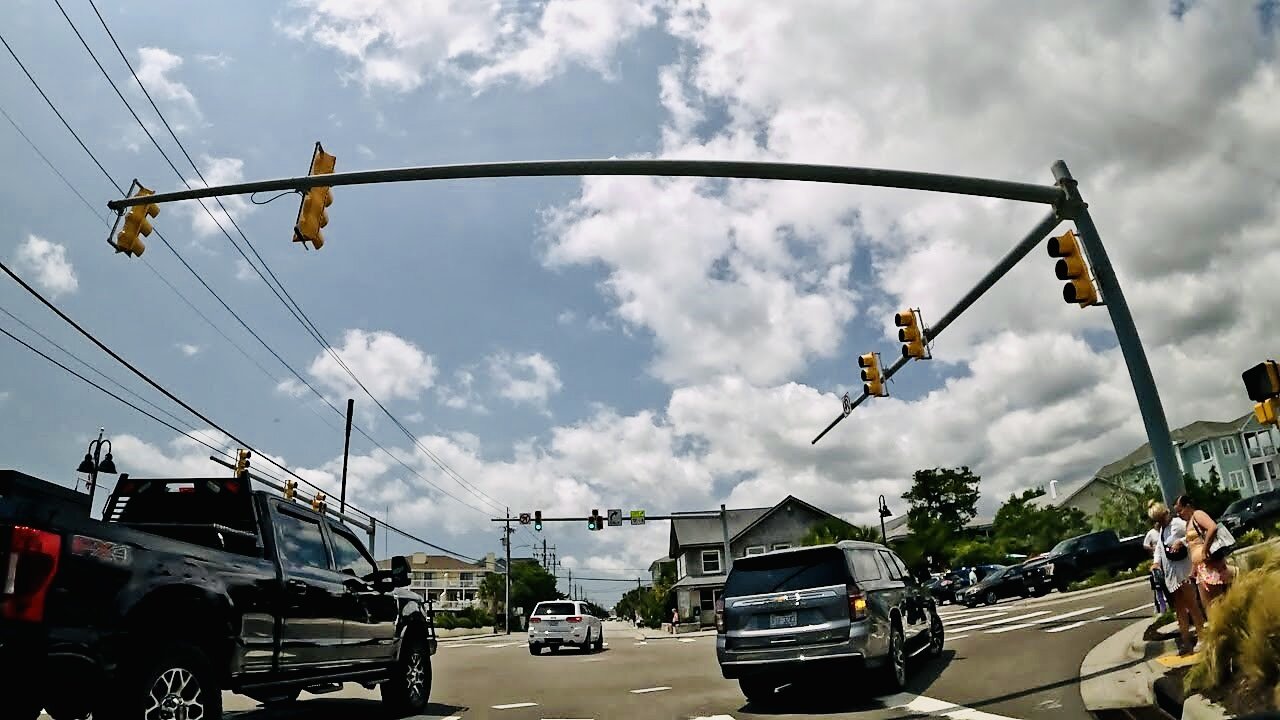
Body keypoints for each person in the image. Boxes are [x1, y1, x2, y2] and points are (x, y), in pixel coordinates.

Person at [1151, 501, 1204, 655]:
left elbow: (1193, 537)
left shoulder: (1178, 524)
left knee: (1192, 605)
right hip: (1171, 575)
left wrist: (1180, 542)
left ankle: (1201, 636)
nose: (1160, 521)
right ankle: (1185, 640)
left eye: (1161, 517)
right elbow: (1159, 549)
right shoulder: (1161, 530)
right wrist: (1156, 563)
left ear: (1166, 513)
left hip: (1183, 571)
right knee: (1179, 608)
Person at [1174, 494, 1232, 606]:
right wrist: (1193, 569)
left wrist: (1204, 550)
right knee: (1209, 604)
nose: (1179, 515)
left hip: (1209, 565)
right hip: (1201, 568)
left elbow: (1212, 527)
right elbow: (1193, 546)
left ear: (1188, 506)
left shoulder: (1198, 514)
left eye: (1180, 511)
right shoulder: (1188, 523)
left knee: (1217, 603)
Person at [1143, 502, 1169, 614]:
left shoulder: (1166, 529)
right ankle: (1161, 608)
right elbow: (1145, 544)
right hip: (1157, 561)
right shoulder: (1151, 533)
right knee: (1158, 585)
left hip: (1168, 560)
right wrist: (1153, 549)